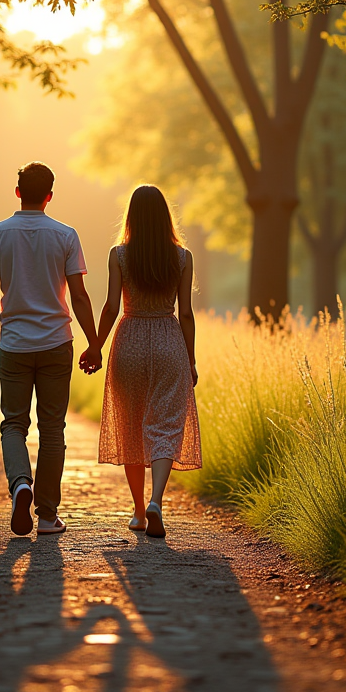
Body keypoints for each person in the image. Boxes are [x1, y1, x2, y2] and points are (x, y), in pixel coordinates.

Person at [0, 162, 100, 536]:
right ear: (50, 195)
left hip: (14, 342)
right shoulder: (66, 235)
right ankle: (47, 515)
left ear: (17, 192)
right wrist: (94, 343)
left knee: (13, 423)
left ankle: (21, 485)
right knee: (52, 429)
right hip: (55, 344)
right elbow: (78, 295)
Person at [80, 185, 201, 538]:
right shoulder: (183, 257)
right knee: (165, 425)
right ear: (166, 216)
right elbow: (187, 313)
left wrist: (96, 346)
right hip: (168, 341)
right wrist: (190, 359)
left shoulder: (118, 255)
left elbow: (111, 308)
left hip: (129, 340)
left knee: (131, 425)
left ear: (131, 216)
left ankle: (137, 511)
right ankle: (156, 501)